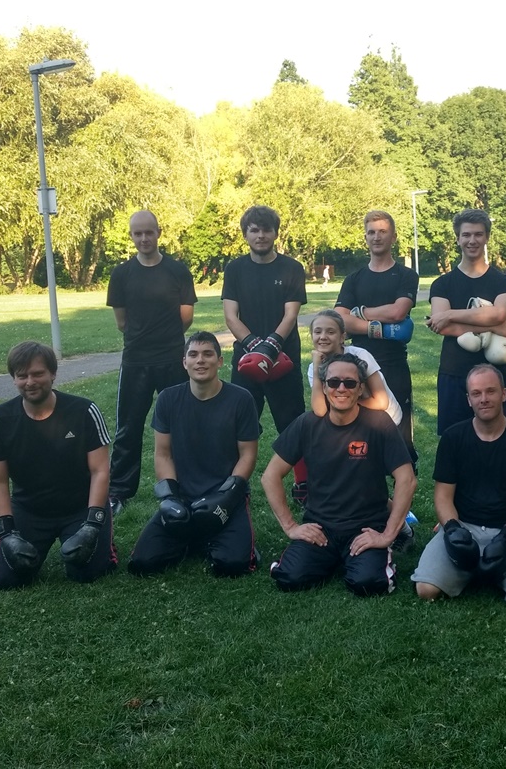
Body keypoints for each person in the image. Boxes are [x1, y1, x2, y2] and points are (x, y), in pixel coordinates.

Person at [0, 341, 116, 589]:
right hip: (30, 510)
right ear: (14, 379)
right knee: (9, 579)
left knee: (86, 572)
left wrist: (92, 525)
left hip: (80, 507)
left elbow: (100, 470)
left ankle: (103, 545)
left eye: (38, 373)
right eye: (22, 376)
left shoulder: (84, 410)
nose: (30, 382)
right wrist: (7, 533)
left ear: (53, 374)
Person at [261, 353, 416, 596]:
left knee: (369, 583)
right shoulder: (307, 423)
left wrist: (387, 535)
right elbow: (270, 476)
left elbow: (407, 479)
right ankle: (332, 558)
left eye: (350, 383)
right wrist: (291, 527)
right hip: (321, 528)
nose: (341, 388)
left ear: (360, 388)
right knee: (289, 577)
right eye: (333, 382)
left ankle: (363, 560)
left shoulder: (379, 423)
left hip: (365, 528)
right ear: (324, 387)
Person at [412, 364, 506, 609]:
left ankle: (492, 568)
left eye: (490, 391)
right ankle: (478, 568)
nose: (483, 399)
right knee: (426, 589)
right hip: (464, 527)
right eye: (476, 393)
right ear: (469, 399)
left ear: (504, 394)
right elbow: (443, 497)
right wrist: (452, 529)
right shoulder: (453, 438)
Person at [127, 332, 260, 577]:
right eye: (193, 354)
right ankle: (195, 538)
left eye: (208, 354)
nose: (200, 360)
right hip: (183, 496)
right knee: (143, 562)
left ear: (220, 361)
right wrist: (170, 497)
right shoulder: (167, 398)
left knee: (231, 565)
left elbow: (248, 455)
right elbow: (163, 454)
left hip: (225, 497)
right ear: (184, 362)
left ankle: (212, 538)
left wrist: (226, 496)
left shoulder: (241, 399)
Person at [104, 210, 197, 515]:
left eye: (149, 232)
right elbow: (121, 322)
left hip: (172, 359)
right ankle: (119, 491)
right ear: (131, 236)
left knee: (182, 426)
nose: (144, 238)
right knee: (128, 428)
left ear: (159, 232)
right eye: (138, 233)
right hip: (136, 362)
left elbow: (186, 317)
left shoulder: (177, 270)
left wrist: (165, 338)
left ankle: (185, 485)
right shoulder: (121, 274)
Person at [307, 308, 415, 551]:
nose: (323, 336)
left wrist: (347, 400)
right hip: (355, 424)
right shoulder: (316, 367)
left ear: (343, 336)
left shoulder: (360, 354)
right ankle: (395, 527)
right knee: (363, 484)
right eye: (317, 331)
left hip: (384, 422)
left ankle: (403, 530)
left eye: (330, 331)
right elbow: (320, 410)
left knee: (376, 485)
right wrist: (317, 366)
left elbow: (380, 402)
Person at [221, 205, 309, 494]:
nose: (260, 235)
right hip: (246, 360)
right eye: (254, 230)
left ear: (275, 233)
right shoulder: (234, 269)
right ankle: (233, 484)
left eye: (266, 230)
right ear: (245, 234)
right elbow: (231, 316)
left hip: (284, 357)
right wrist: (254, 347)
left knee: (292, 422)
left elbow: (291, 315)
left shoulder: (292, 268)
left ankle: (304, 483)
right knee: (239, 422)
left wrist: (270, 348)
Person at [335, 210, 419, 461]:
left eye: (383, 231)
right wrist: (383, 330)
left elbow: (398, 312)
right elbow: (340, 320)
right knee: (359, 432)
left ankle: (404, 480)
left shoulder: (406, 276)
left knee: (399, 432)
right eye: (371, 232)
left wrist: (359, 313)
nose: (376, 237)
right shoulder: (353, 279)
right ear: (365, 237)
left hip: (393, 364)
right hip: (358, 366)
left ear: (393, 237)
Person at [428, 209, 506, 434]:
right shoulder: (442, 284)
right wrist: (492, 327)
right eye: (466, 235)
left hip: (493, 376)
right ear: (458, 239)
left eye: (478, 234)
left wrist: (450, 314)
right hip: (454, 372)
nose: (472, 240)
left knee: (496, 439)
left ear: (487, 237)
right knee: (453, 440)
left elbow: (499, 313)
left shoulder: (503, 282)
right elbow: (442, 327)